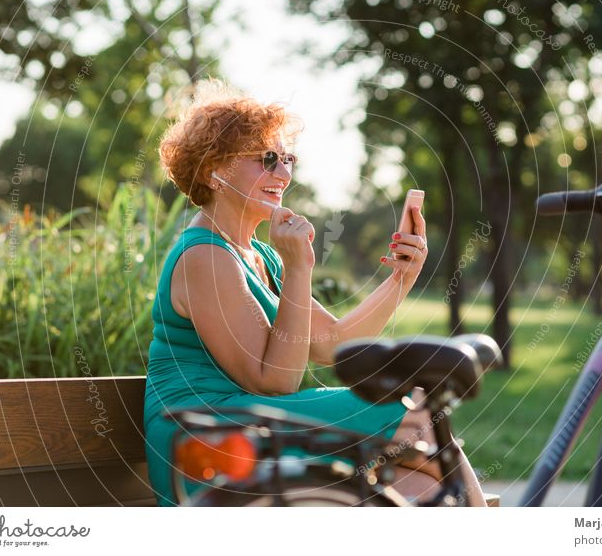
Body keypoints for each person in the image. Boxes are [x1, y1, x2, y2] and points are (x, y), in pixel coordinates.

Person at [143, 78, 486, 506]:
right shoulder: (205, 258)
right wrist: (299, 267)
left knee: (419, 458)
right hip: (208, 436)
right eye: (266, 159)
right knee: (414, 418)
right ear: (214, 171)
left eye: (288, 159)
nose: (283, 174)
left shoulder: (258, 255)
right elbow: (275, 382)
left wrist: (401, 277)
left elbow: (333, 345)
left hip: (255, 425)